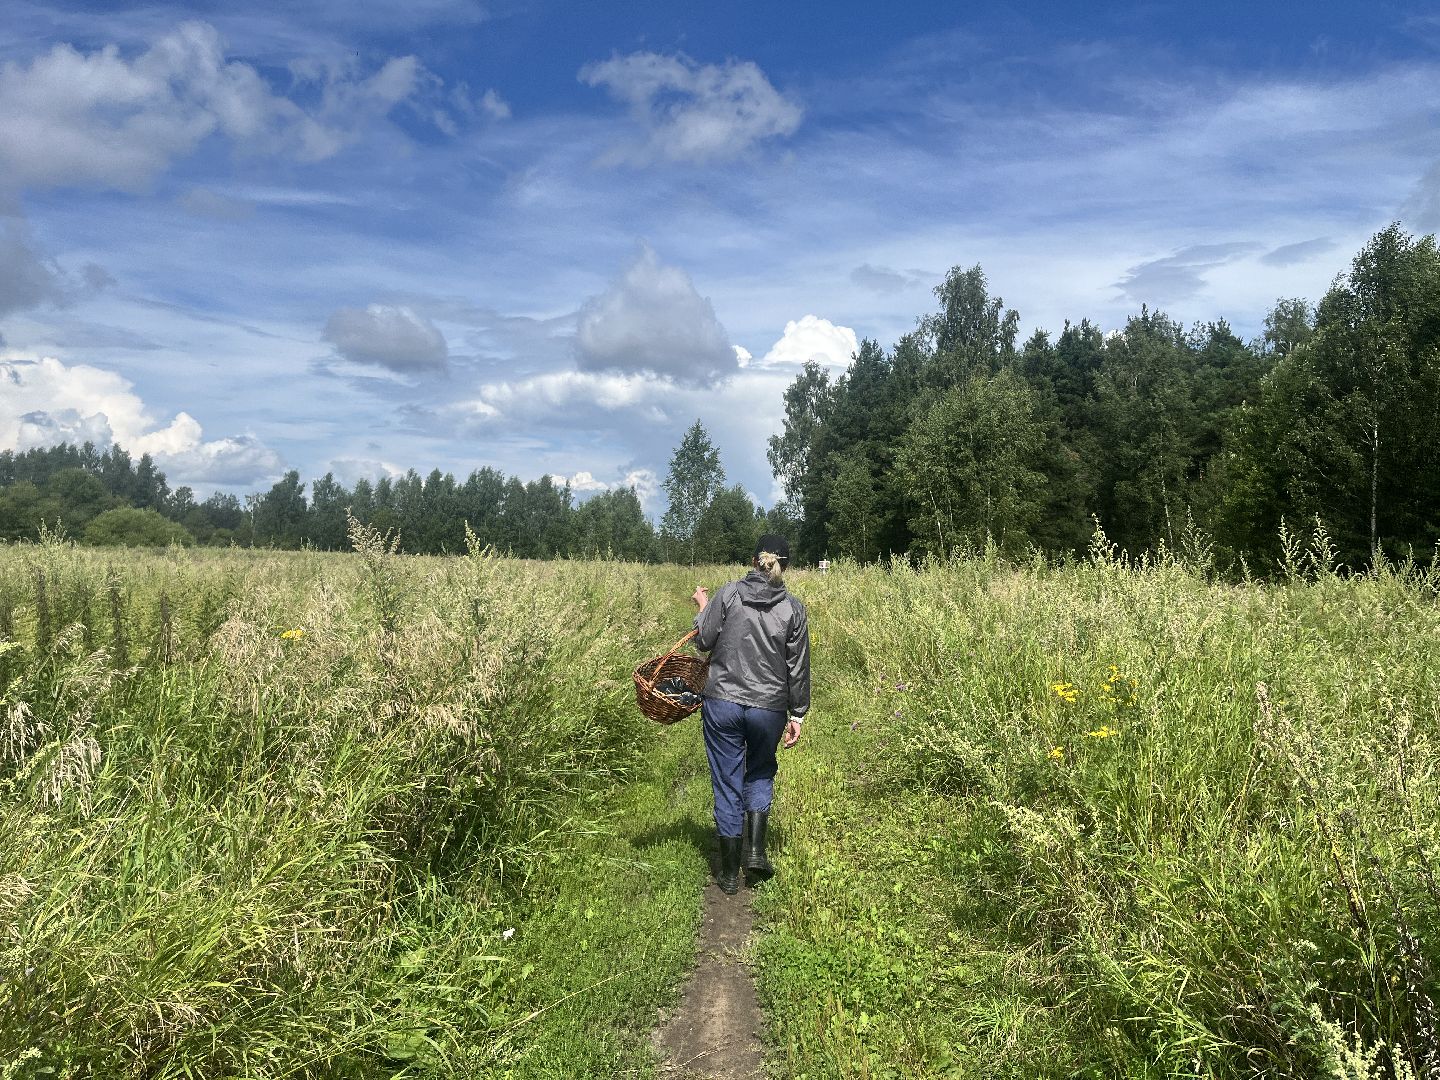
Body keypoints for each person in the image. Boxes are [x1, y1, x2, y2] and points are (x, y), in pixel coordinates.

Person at [690, 533, 810, 895]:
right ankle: (755, 853)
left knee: (727, 780)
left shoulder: (728, 594)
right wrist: (798, 714)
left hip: (723, 702)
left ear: (754, 560)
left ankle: (728, 875)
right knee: (759, 770)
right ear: (782, 566)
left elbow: (702, 641)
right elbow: (798, 667)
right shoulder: (793, 608)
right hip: (769, 709)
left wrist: (702, 605)